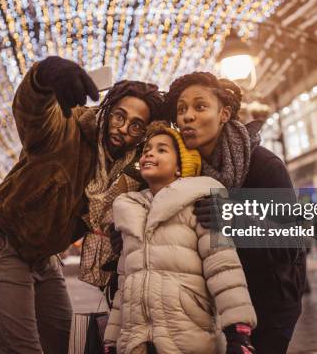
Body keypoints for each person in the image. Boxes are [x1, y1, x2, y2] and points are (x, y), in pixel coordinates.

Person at [0, 56, 164, 354]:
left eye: (136, 126)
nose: (123, 129)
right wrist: (43, 76)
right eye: (119, 116)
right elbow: (32, 112)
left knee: (62, 343)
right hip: (2, 241)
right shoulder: (66, 129)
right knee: (22, 348)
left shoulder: (125, 173)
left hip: (43, 256)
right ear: (107, 110)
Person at [166, 72, 306, 354]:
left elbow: (293, 242)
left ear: (224, 114)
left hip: (270, 304)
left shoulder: (263, 164)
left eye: (200, 106)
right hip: (217, 308)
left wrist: (235, 216)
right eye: (181, 109)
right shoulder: (183, 173)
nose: (187, 117)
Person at [103, 122, 256, 354]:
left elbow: (224, 269)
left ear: (180, 167)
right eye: (146, 151)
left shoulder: (201, 205)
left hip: (188, 336)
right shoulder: (131, 213)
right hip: (136, 342)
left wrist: (239, 334)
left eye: (162, 150)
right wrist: (112, 340)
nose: (150, 154)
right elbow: (125, 284)